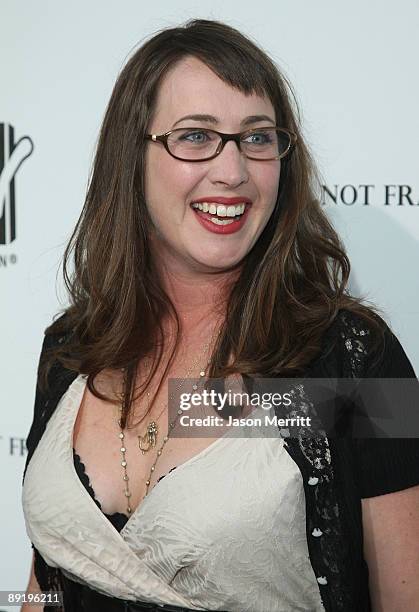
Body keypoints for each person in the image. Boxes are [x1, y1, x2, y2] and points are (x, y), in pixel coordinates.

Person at [21, 18, 419, 612]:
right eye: (195, 136)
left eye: (257, 138)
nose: (232, 172)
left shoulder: (357, 358)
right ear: (133, 157)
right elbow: (49, 585)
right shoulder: (73, 348)